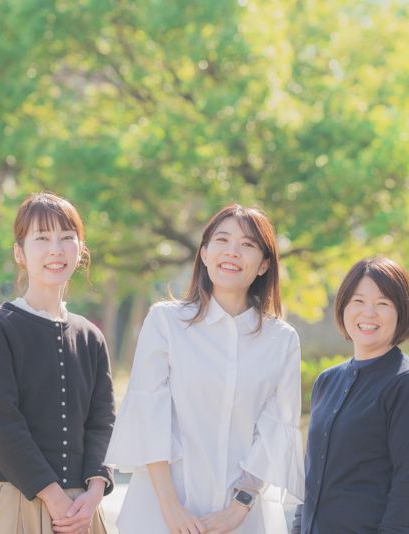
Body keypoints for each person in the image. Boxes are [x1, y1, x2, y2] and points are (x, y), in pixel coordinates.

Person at [105, 204, 304, 534]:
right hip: (161, 514)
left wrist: (238, 509)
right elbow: (149, 416)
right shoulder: (166, 322)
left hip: (245, 520)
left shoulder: (281, 340)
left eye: (247, 244)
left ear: (264, 264)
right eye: (222, 240)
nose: (232, 252)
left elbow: (275, 430)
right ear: (205, 253)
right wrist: (170, 507)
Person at [0, 192, 114, 534]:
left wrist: (94, 492)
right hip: (14, 503)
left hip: (82, 511)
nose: (56, 250)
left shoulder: (91, 336)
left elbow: (102, 422)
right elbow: (0, 423)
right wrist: (53, 497)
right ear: (19, 252)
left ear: (81, 249)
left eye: (67, 238)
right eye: (42, 238)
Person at [292, 256, 409, 534]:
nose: (368, 313)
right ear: (344, 306)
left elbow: (408, 487)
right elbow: (311, 476)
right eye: (358, 301)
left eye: (383, 303)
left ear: (402, 311)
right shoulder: (327, 381)